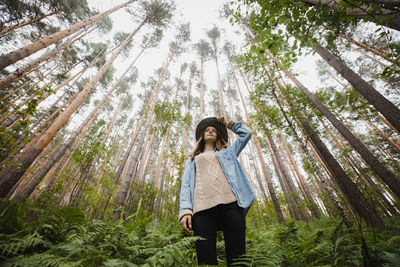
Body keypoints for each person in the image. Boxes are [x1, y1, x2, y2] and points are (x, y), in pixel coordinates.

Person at [178, 116, 256, 266]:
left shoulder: (228, 152)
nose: (211, 131)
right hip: (202, 209)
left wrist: (228, 124)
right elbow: (186, 185)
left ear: (218, 135)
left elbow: (246, 134)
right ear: (202, 135)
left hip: (232, 205)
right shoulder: (193, 159)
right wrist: (185, 210)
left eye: (214, 130)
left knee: (238, 256)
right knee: (206, 258)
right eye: (207, 130)